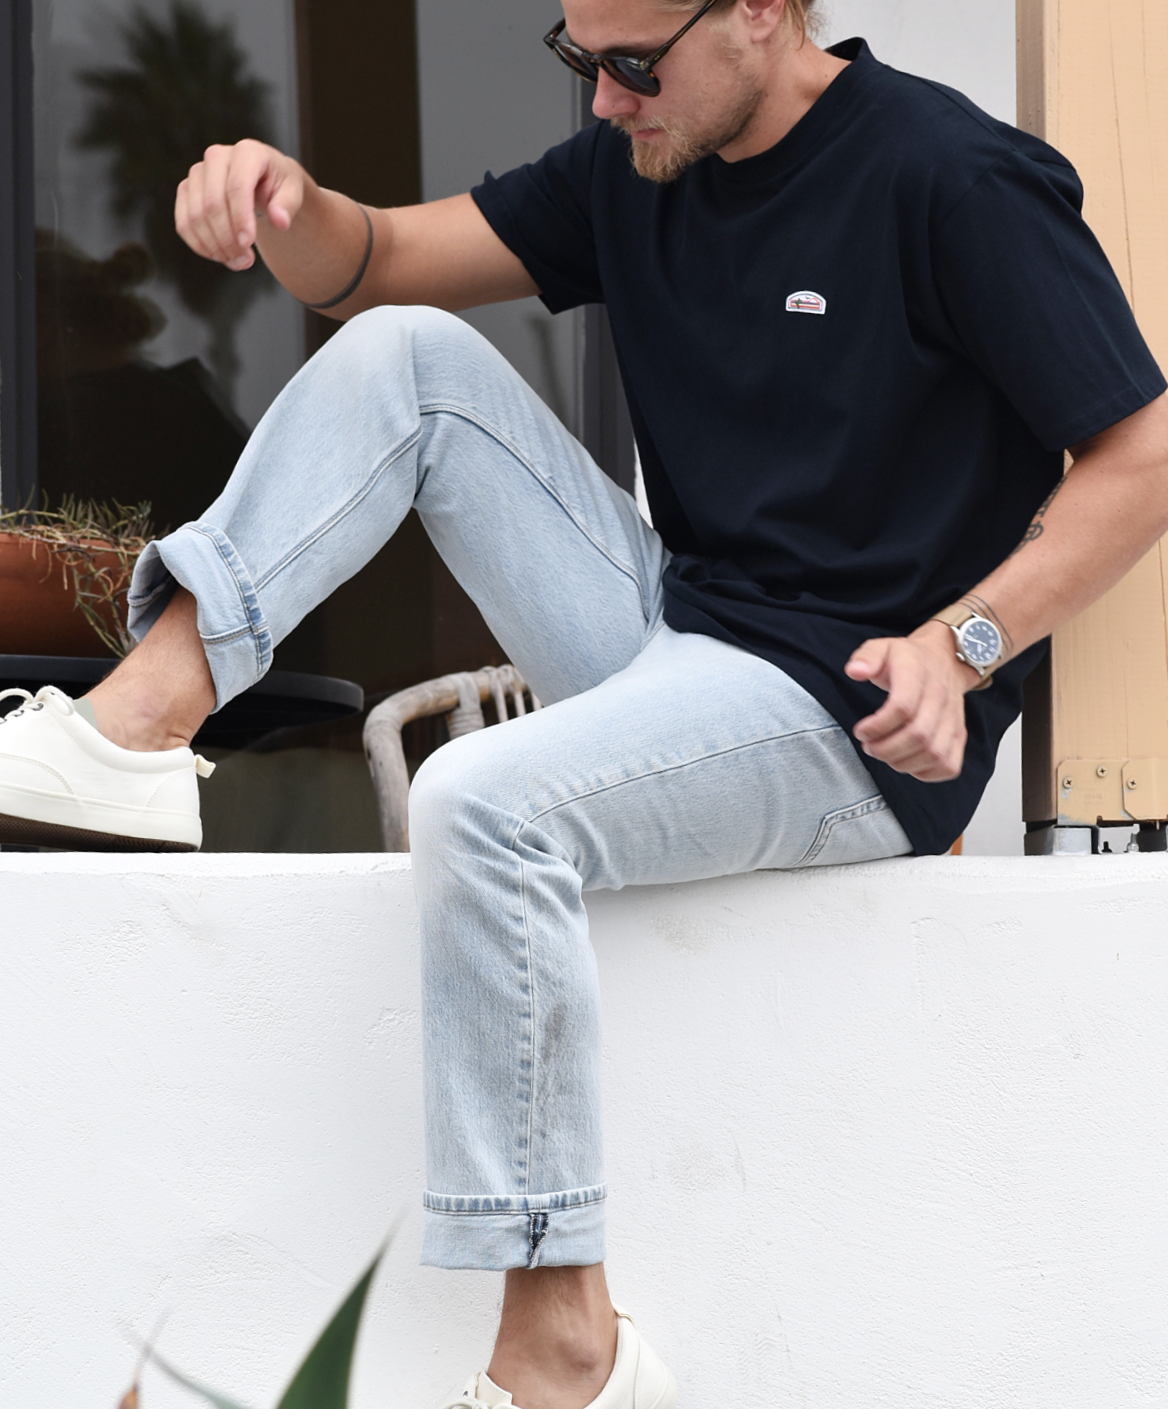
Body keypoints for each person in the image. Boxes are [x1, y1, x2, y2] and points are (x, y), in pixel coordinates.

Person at [2, 0, 1167, 1403]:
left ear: (759, 11)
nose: (605, 103)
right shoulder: (641, 154)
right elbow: (372, 262)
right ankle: (140, 725)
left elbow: (1141, 451)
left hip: (848, 719)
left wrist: (963, 644)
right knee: (405, 357)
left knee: (480, 803)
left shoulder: (951, 177)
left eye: (630, 65)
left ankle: (565, 1343)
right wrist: (291, 201)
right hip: (678, 635)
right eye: (578, 59)